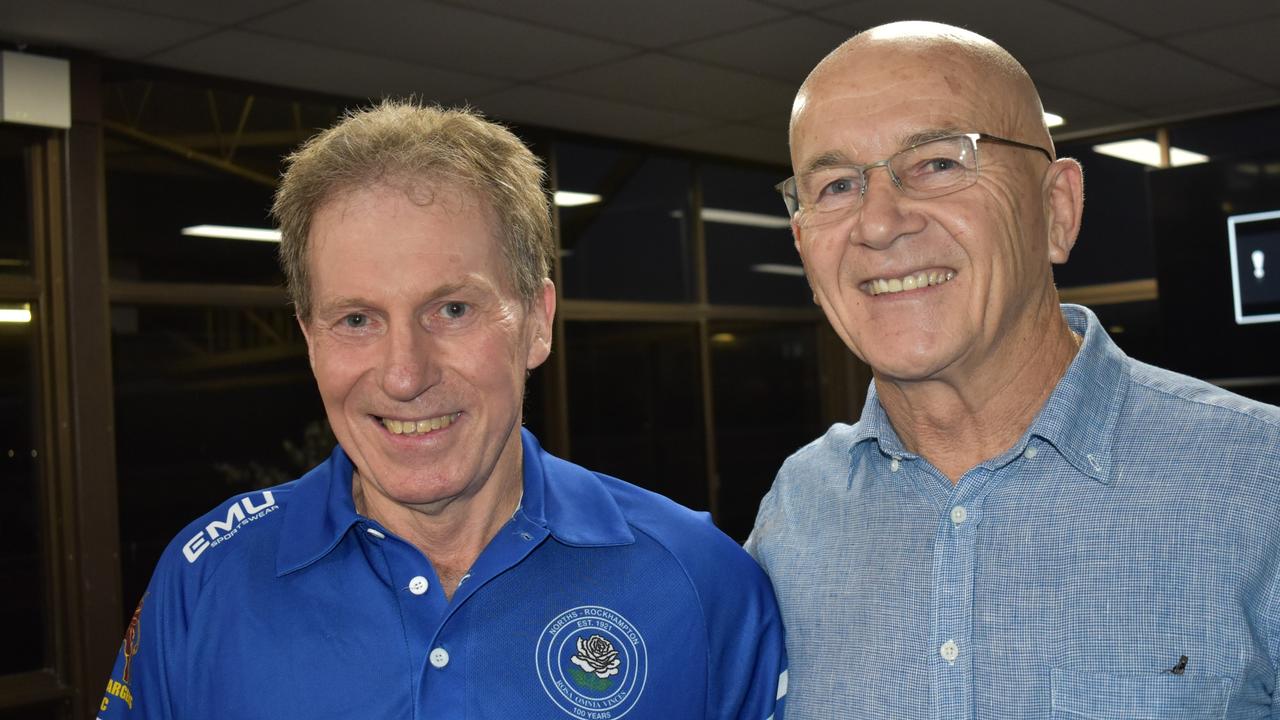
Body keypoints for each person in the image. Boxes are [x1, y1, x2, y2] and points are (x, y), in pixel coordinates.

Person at [100, 100, 787, 719]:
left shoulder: (702, 585)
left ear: (538, 322)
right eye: (357, 319)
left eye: (452, 309)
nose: (403, 374)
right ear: (310, 341)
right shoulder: (206, 581)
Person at [746, 20, 1280, 719]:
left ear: (1056, 209)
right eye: (837, 185)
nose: (879, 223)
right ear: (805, 248)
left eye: (938, 162)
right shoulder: (795, 514)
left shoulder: (1259, 480)